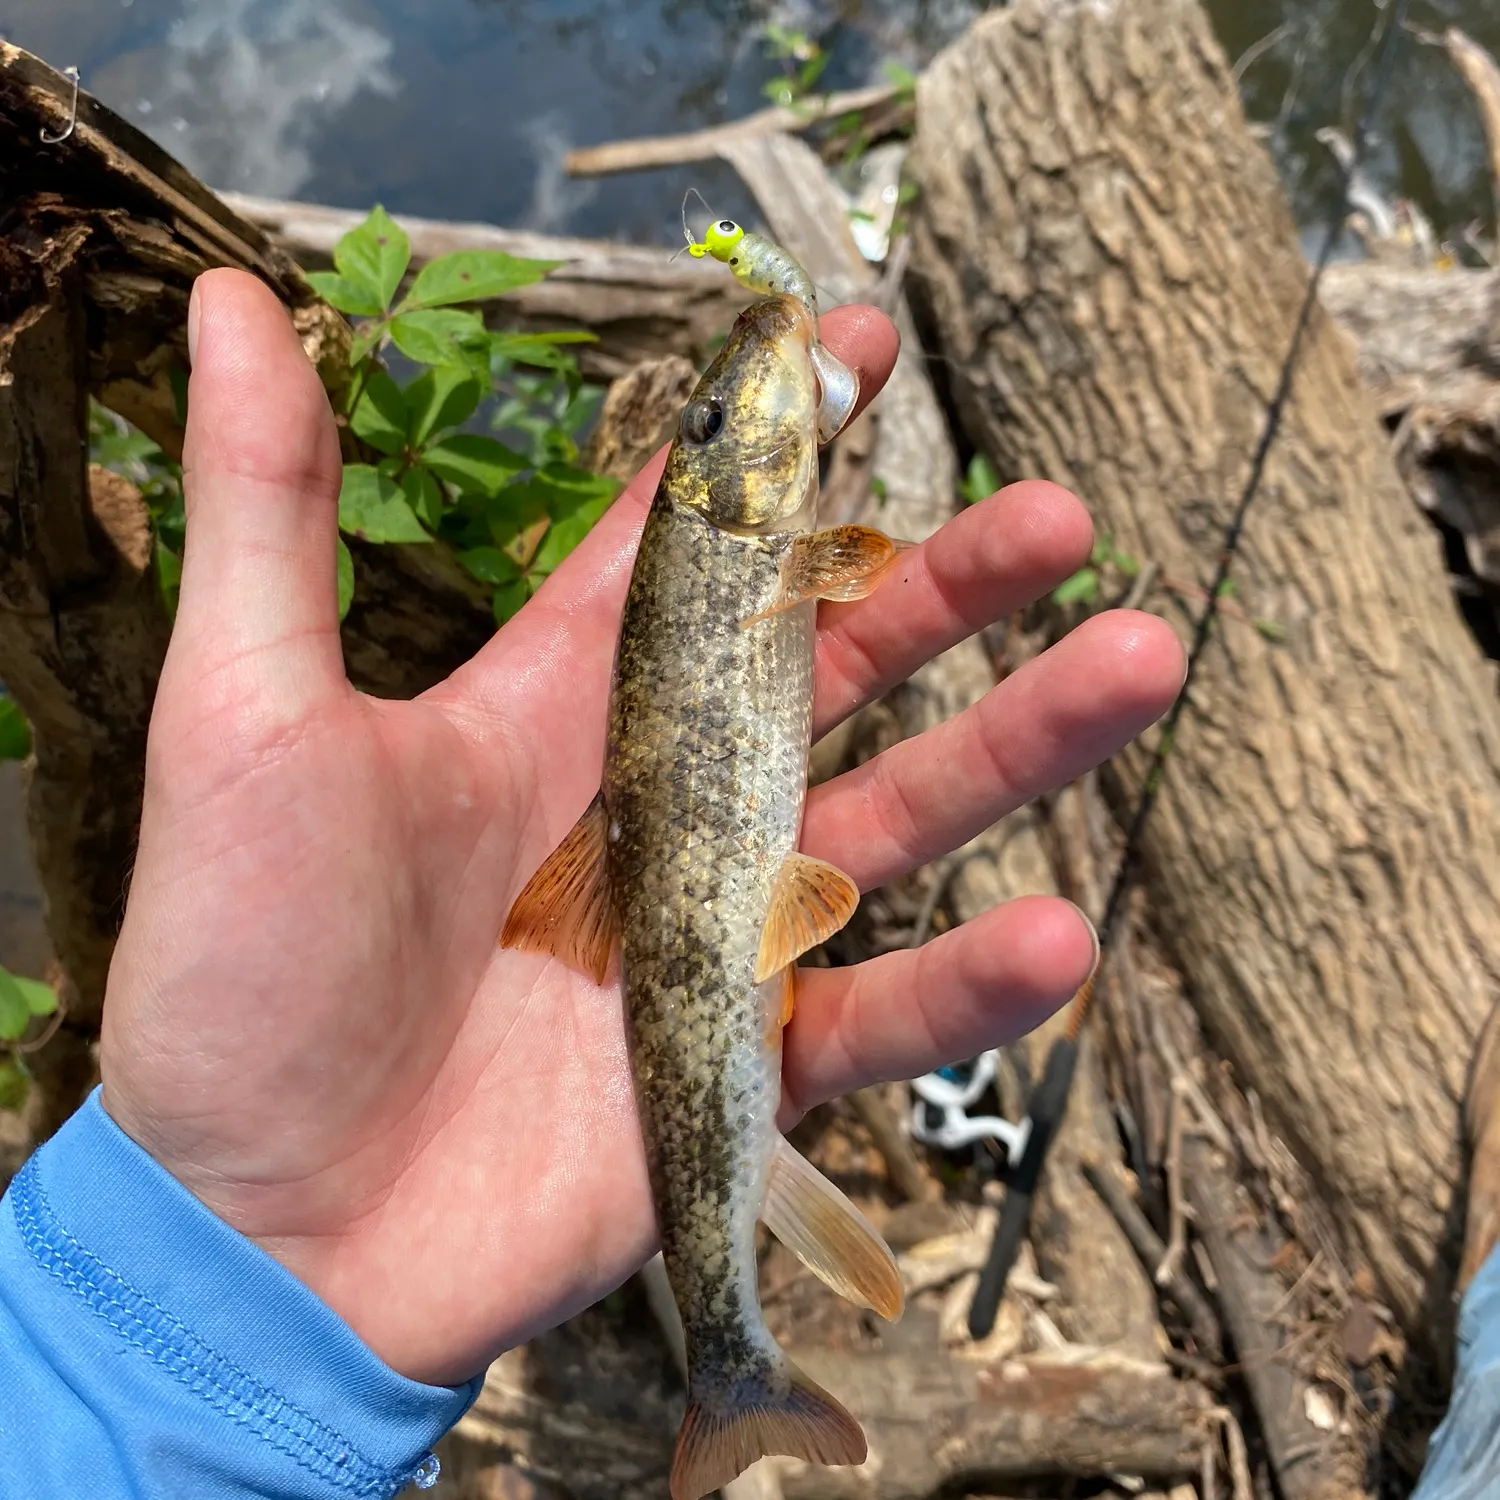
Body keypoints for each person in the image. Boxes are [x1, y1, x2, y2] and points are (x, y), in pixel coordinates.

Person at [0, 271, 1187, 1498]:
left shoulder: (771, 535)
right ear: (714, 477)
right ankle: (732, 1364)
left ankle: (735, 1356)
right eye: (713, 429)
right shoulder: (757, 533)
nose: (742, 407)